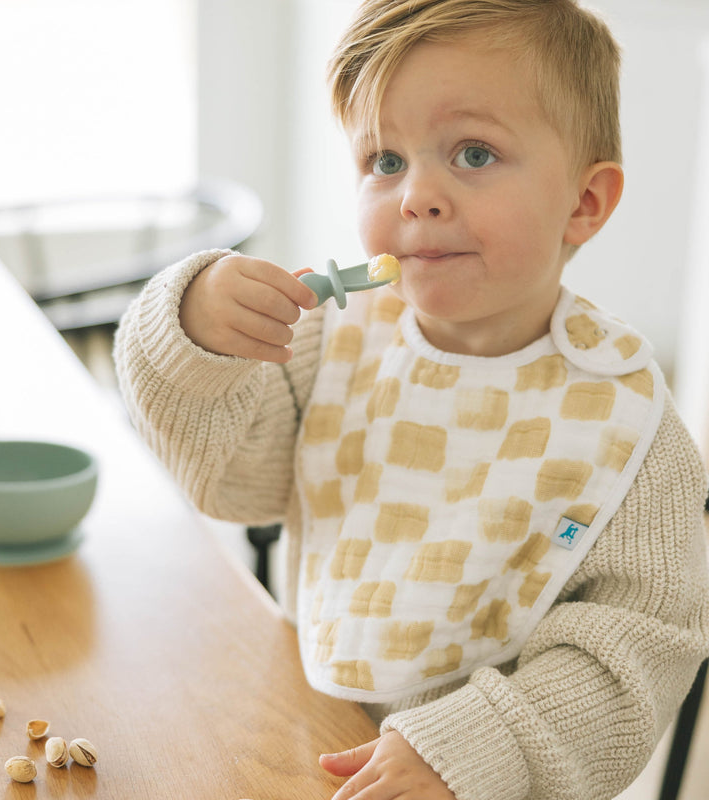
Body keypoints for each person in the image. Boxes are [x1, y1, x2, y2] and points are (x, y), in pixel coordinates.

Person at [114, 1, 709, 797]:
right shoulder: (335, 341)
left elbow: (634, 653)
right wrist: (191, 337)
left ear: (584, 203)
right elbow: (232, 484)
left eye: (473, 153)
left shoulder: (627, 429)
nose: (416, 196)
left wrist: (476, 748)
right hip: (298, 740)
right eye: (385, 161)